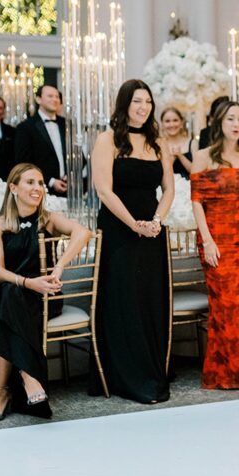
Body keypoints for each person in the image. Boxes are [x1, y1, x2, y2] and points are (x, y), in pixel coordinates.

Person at [0, 163, 91, 423]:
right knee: (5, 294)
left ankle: (1, 392)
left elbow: (83, 232)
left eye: (40, 183)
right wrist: (28, 282)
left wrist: (59, 266)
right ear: (13, 188)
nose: (37, 188)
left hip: (44, 299)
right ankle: (28, 376)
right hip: (17, 292)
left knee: (2, 300)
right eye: (30, 182)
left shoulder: (47, 219)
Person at [89, 79, 174, 403]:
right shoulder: (107, 139)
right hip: (118, 227)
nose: (143, 107)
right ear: (124, 104)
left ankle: (152, 369)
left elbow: (169, 188)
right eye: (137, 101)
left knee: (149, 300)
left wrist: (155, 222)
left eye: (148, 102)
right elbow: (103, 190)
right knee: (123, 300)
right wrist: (133, 224)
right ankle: (125, 377)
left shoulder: (158, 141)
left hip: (151, 228)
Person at [190, 102, 239, 394]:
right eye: (231, 119)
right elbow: (196, 201)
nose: (236, 124)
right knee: (224, 308)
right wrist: (208, 240)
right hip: (215, 239)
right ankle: (224, 374)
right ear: (219, 123)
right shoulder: (202, 157)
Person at [15, 84, 69, 196]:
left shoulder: (67, 125)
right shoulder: (26, 127)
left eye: (57, 97)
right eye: (50, 96)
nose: (54, 99)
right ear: (38, 99)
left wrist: (70, 176)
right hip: (40, 190)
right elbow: (24, 162)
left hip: (67, 189)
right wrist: (51, 181)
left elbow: (79, 156)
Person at [160, 106, 194, 179]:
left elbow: (196, 171)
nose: (172, 124)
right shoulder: (158, 144)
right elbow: (159, 174)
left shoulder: (192, 143)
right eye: (167, 121)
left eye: (175, 120)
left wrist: (180, 155)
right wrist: (172, 159)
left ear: (181, 123)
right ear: (162, 124)